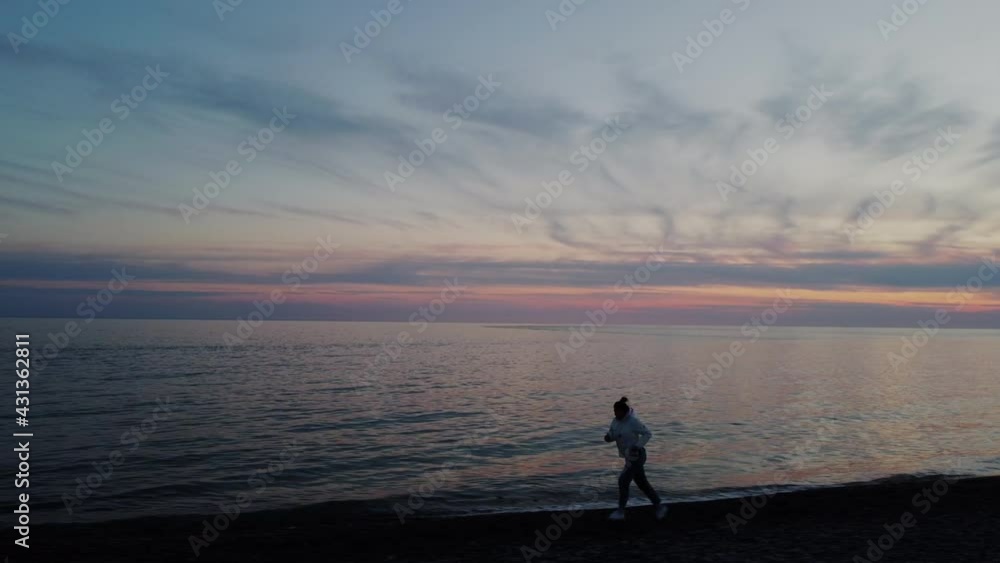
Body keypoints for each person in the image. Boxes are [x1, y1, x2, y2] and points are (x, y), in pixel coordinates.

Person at [603, 396, 668, 520]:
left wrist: (637, 446)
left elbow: (647, 434)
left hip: (637, 456)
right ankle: (659, 506)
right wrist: (608, 437)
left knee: (623, 481)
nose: (615, 413)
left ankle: (620, 512)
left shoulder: (633, 421)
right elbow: (613, 433)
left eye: (617, 411)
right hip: (629, 457)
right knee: (642, 483)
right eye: (614, 411)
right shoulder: (615, 421)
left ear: (623, 411)